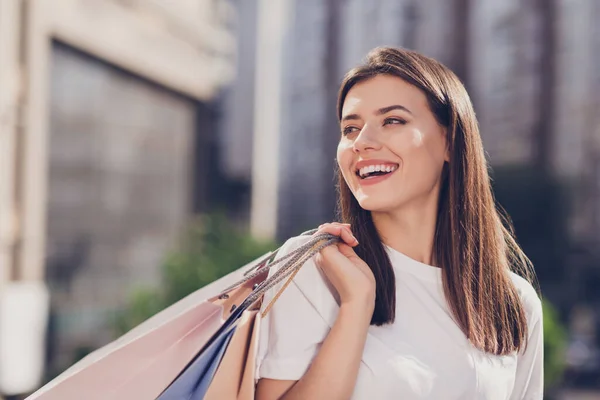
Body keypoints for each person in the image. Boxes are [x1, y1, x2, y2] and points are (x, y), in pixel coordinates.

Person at [254, 47, 543, 400]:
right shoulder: (315, 270)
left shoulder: (513, 301)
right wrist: (356, 306)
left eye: (392, 121)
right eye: (350, 128)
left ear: (450, 140)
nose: (362, 142)